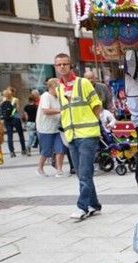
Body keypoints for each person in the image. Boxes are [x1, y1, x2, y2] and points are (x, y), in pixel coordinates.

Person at [54, 53, 103, 219]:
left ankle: (82, 207)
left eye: (65, 64)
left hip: (87, 134)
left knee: (84, 173)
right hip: (71, 135)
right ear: (56, 67)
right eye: (59, 64)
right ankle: (94, 204)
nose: (62, 67)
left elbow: (97, 106)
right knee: (82, 173)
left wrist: (92, 123)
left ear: (71, 65)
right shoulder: (59, 88)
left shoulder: (83, 83)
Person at [36, 78, 65, 177]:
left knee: (60, 148)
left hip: (57, 128)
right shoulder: (46, 96)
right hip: (45, 128)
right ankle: (40, 168)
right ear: (52, 88)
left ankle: (59, 170)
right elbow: (46, 111)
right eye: (58, 88)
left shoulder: (58, 98)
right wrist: (60, 110)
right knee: (46, 150)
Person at [0, 88, 27, 158]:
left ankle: (12, 152)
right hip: (16, 118)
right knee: (20, 134)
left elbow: (1, 112)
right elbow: (17, 109)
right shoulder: (15, 100)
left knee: (9, 136)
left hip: (7, 120)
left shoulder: (2, 101)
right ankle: (23, 149)